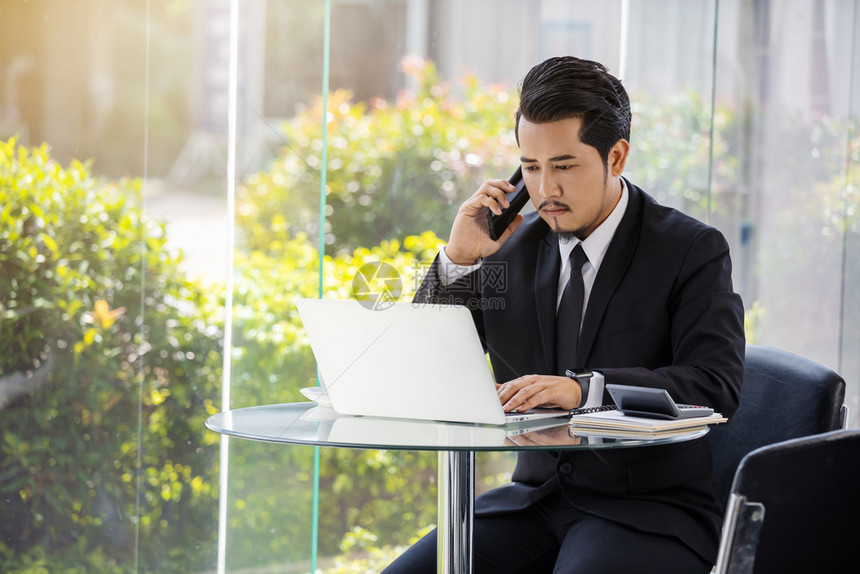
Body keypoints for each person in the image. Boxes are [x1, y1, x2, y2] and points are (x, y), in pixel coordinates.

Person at [383, 56, 745, 573]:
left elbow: (714, 383)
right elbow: (427, 366)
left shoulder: (689, 249)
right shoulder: (506, 248)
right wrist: (458, 260)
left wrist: (585, 390)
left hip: (644, 510)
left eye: (565, 166)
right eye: (530, 168)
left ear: (616, 157)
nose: (544, 190)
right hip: (531, 500)